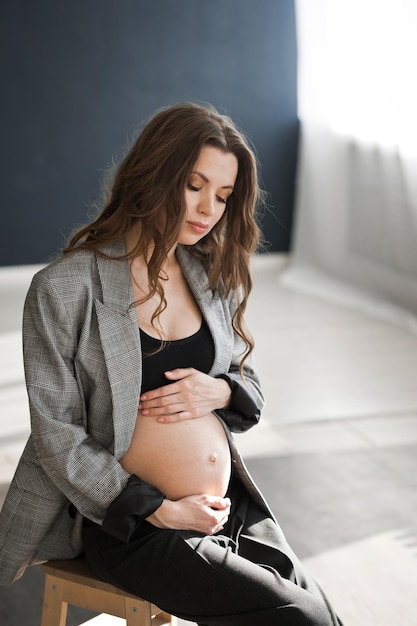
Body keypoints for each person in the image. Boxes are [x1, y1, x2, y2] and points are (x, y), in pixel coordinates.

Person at [0, 103, 343, 625]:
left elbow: (247, 380)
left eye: (224, 196)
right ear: (155, 173)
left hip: (228, 510)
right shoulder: (67, 287)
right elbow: (57, 432)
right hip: (132, 525)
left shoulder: (209, 276)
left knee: (321, 610)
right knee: (306, 620)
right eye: (194, 185)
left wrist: (222, 392)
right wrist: (158, 508)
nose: (208, 208)